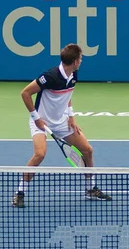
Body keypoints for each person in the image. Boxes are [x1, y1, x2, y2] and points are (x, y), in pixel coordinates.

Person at [11, 44, 111, 208]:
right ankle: (20, 192)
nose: (81, 61)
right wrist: (36, 117)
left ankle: (90, 189)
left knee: (87, 150)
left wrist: (71, 116)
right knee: (40, 154)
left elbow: (68, 94)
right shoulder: (50, 76)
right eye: (80, 59)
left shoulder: (73, 74)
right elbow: (25, 93)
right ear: (74, 61)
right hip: (41, 121)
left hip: (62, 121)